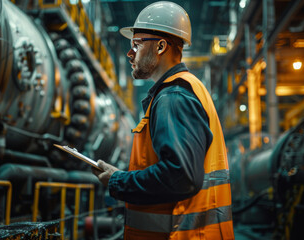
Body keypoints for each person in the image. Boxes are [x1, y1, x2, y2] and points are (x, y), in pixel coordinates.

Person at [92, 1, 234, 239]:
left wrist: (119, 181)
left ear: (160, 46)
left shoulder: (174, 96)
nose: (130, 53)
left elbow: (181, 176)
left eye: (136, 44)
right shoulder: (183, 90)